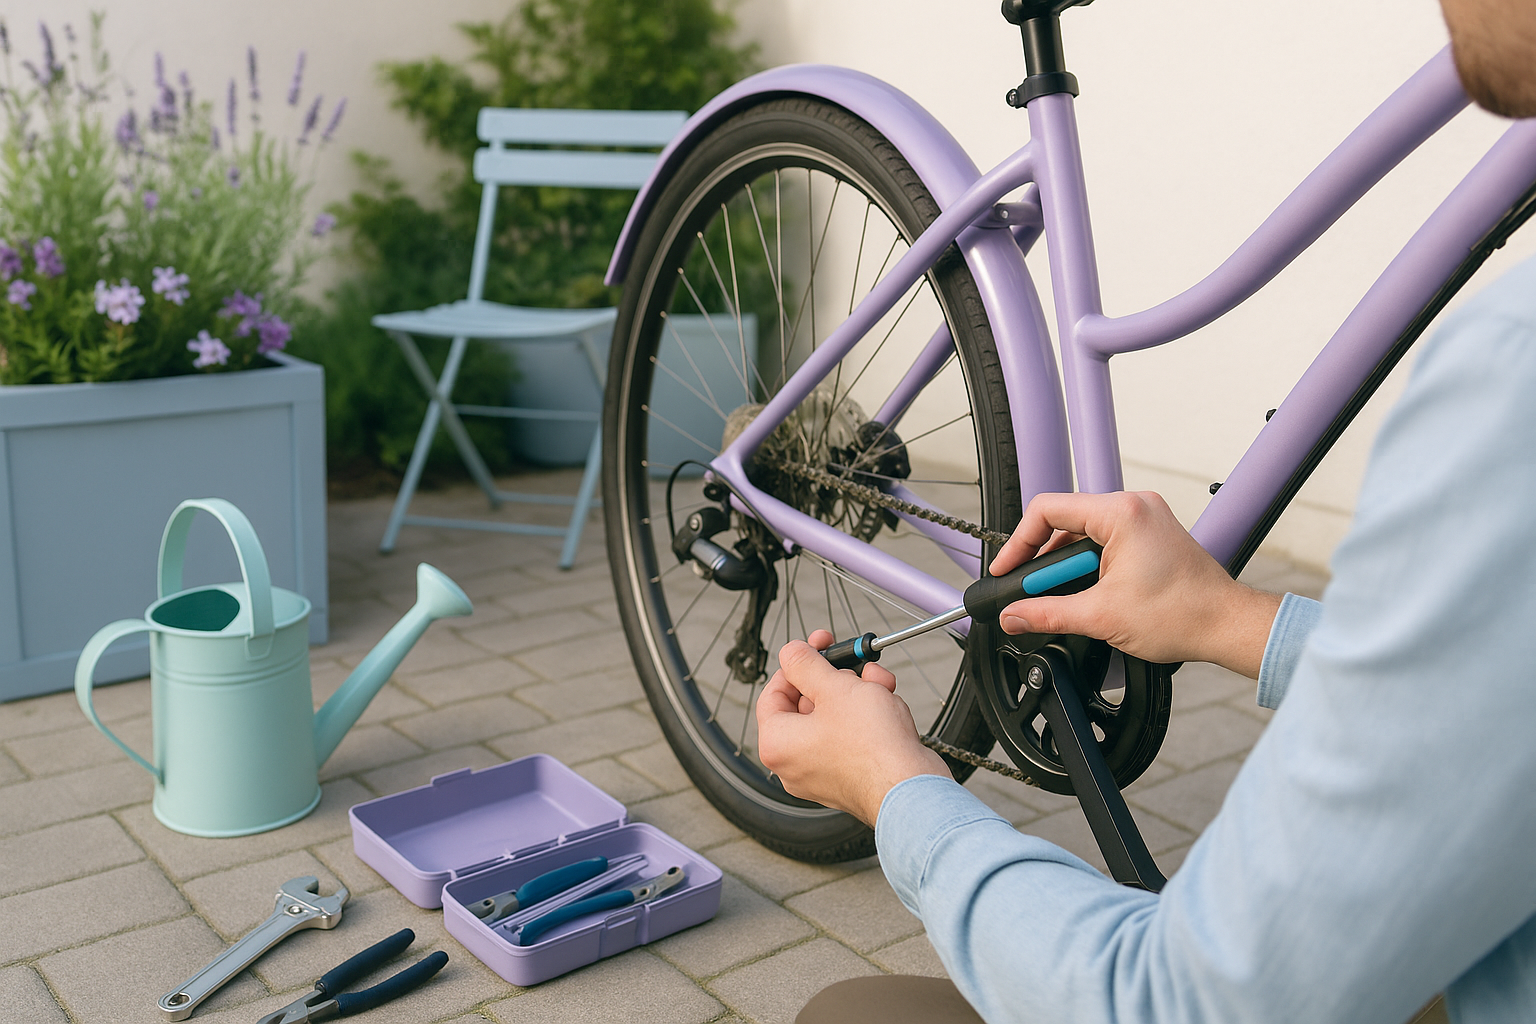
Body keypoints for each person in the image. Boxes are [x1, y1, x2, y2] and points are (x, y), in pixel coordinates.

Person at [755, 1, 1536, 1022]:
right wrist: (1228, 619)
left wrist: (892, 785)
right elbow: (1485, 698)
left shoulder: (1511, 379)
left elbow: (1171, 1002)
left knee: (850, 1015)